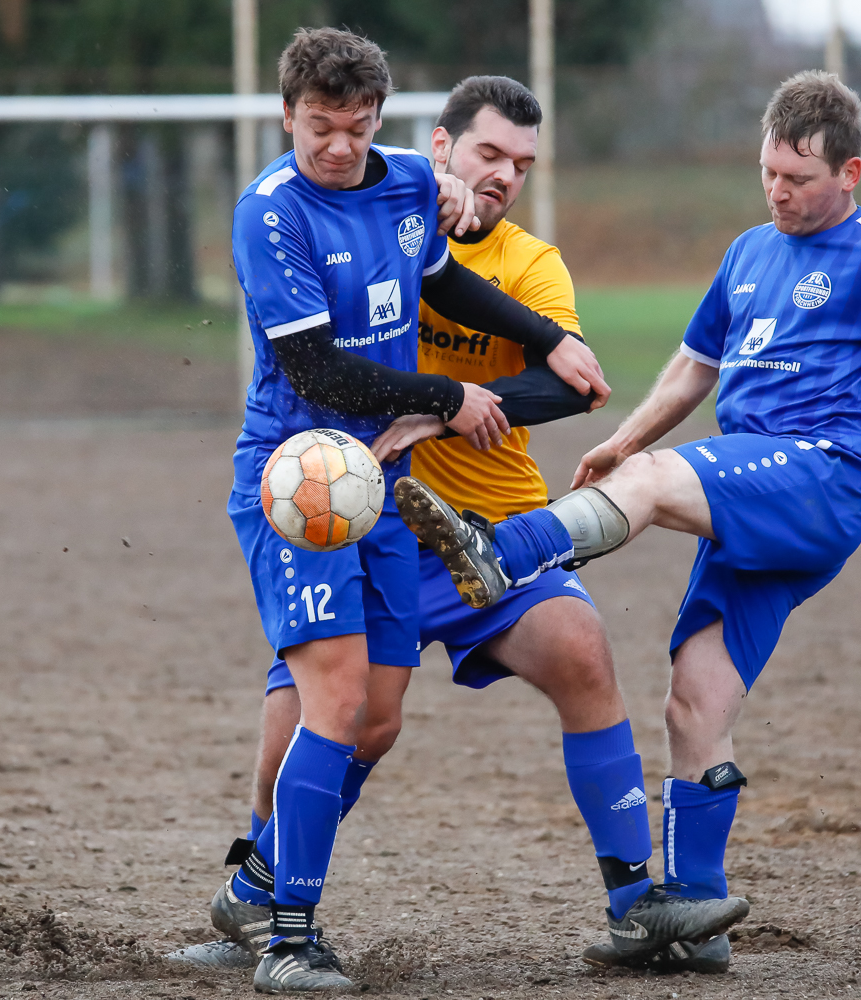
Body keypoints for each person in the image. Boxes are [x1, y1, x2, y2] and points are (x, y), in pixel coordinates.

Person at [397, 69, 861, 970]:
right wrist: (622, 441)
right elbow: (696, 368)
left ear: (849, 174)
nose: (779, 191)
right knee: (695, 699)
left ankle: (505, 551)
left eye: (799, 179)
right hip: (752, 494)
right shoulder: (748, 252)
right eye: (768, 172)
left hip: (821, 478)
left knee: (656, 484)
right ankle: (694, 917)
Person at [172, 74, 746, 982]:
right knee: (330, 722)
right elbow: (320, 366)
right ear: (439, 148)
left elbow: (575, 381)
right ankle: (258, 892)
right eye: (487, 153)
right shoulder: (357, 205)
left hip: (486, 532)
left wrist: (455, 403)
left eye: (522, 163)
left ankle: (636, 902)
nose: (504, 175)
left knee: (582, 651)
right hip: (352, 502)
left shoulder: (526, 264)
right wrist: (444, 395)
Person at [214, 29, 611, 993]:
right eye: (320, 126)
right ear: (287, 115)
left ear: (379, 120)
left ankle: (253, 885)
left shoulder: (402, 181)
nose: (338, 146)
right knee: (336, 698)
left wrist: (547, 339)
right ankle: (290, 941)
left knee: (379, 720)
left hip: (381, 484)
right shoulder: (270, 214)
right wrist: (446, 397)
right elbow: (317, 370)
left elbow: (444, 281)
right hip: (302, 480)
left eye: (356, 127)